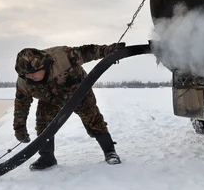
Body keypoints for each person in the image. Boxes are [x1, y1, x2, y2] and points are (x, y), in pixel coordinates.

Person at [13, 42, 125, 170]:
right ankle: (47, 157)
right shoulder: (24, 82)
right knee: (43, 123)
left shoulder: (62, 57)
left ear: (43, 65)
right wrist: (19, 128)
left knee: (93, 120)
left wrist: (109, 51)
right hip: (50, 99)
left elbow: (86, 52)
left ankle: (109, 152)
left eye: (33, 73)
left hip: (78, 92)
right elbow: (21, 104)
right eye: (26, 74)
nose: (30, 76)